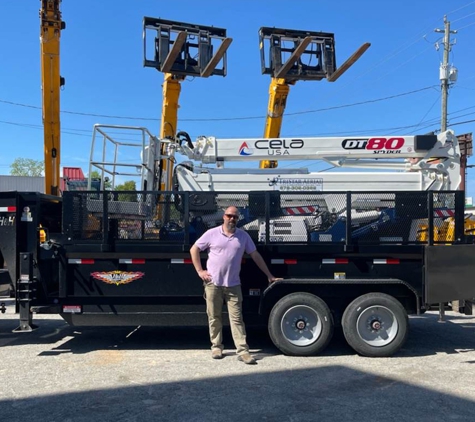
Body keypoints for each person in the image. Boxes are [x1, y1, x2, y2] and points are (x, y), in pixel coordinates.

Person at [190, 206, 280, 364]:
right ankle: (216, 347)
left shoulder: (243, 236)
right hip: (213, 284)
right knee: (214, 317)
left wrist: (269, 275)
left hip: (233, 285)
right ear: (223, 217)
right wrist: (200, 271)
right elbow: (194, 249)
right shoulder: (212, 233)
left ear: (238, 219)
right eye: (229, 216)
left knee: (237, 319)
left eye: (235, 217)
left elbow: (256, 255)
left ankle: (243, 351)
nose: (232, 219)